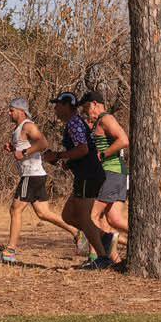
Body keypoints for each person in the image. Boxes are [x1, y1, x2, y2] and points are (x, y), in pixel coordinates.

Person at [0, 98, 73, 263]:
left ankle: (10, 251)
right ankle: (76, 233)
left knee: (15, 209)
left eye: (11, 110)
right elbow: (25, 147)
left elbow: (43, 142)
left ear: (21, 111)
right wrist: (13, 148)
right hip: (35, 174)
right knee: (43, 213)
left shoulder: (28, 126)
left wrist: (24, 152)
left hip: (31, 174)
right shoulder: (19, 129)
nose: (8, 113)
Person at [82, 88, 132, 270]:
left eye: (86, 107)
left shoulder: (106, 119)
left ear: (95, 104)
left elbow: (124, 140)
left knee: (91, 216)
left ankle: (99, 258)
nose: (86, 112)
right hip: (117, 174)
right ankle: (117, 260)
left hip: (111, 173)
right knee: (114, 219)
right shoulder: (98, 123)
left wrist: (103, 155)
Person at [50, 92, 101, 263]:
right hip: (84, 174)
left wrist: (59, 155)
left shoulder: (74, 123)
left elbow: (83, 149)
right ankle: (105, 238)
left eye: (57, 105)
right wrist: (69, 161)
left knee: (83, 218)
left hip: (89, 174)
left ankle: (102, 257)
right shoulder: (73, 123)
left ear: (66, 106)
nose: (55, 109)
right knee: (68, 216)